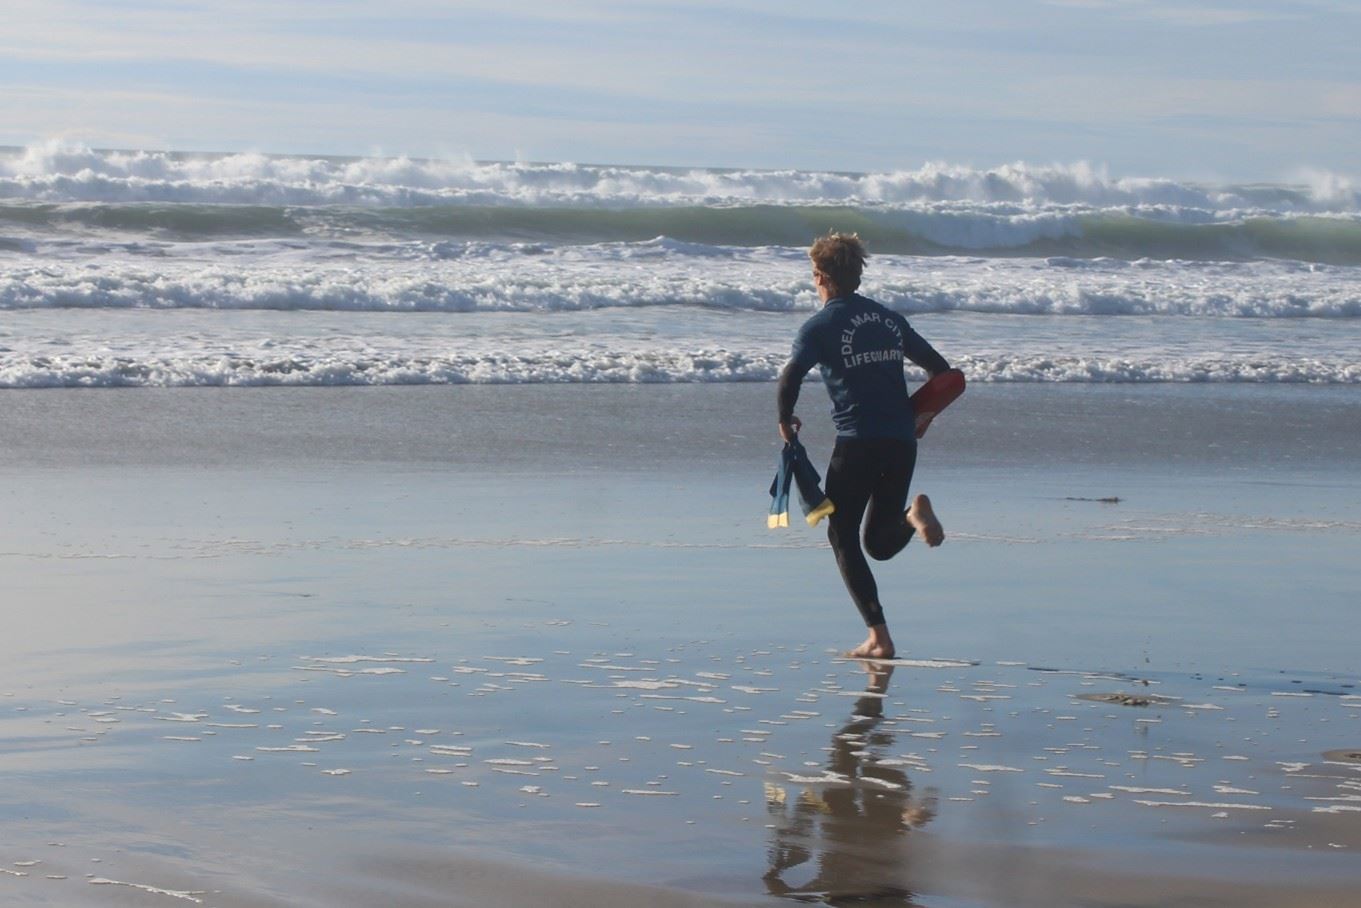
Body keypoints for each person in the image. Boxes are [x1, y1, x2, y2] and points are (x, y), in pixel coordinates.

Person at [777, 232, 950, 659]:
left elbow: (790, 376)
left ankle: (879, 638)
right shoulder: (888, 319)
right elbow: (941, 372)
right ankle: (913, 516)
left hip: (857, 442)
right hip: (901, 442)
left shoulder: (819, 326)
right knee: (878, 542)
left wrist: (785, 419)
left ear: (820, 276)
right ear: (856, 274)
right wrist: (923, 415)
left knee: (842, 534)